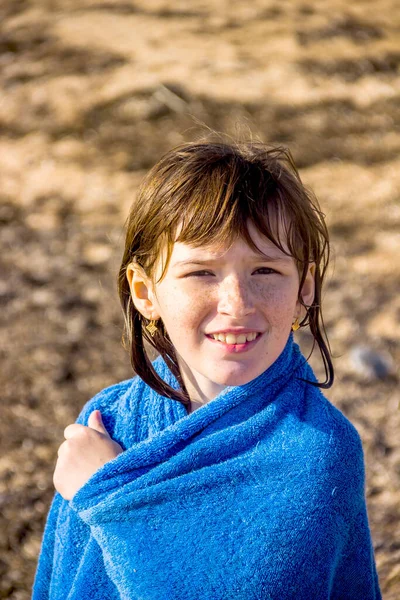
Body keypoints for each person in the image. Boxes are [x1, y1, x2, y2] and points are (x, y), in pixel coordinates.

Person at [32, 139, 382, 599]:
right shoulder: (107, 421)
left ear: (305, 289)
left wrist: (109, 498)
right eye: (201, 273)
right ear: (144, 292)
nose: (237, 304)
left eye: (266, 272)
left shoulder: (318, 452)